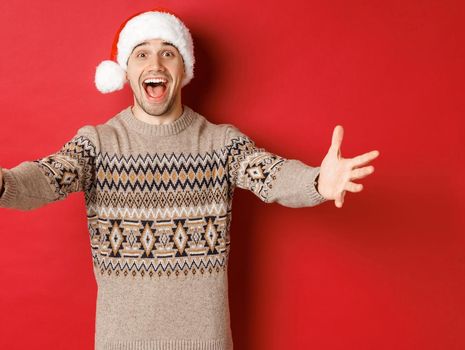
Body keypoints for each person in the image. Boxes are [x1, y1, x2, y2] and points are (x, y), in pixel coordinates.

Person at [0, 9, 379, 350]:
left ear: (184, 68)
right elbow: (46, 178)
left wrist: (317, 183)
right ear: (126, 70)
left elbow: (272, 175)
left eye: (168, 52)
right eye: (142, 53)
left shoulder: (220, 143)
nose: (156, 63)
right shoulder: (97, 144)